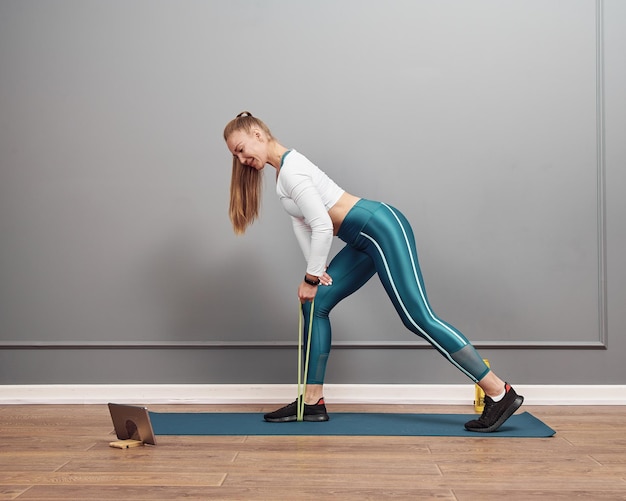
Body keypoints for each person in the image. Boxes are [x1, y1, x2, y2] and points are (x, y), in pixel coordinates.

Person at [223, 111, 523, 432]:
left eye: (241, 149)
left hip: (379, 227)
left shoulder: (292, 172)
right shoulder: (285, 173)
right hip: (361, 236)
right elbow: (303, 224)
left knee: (417, 317)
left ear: (258, 134)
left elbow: (323, 225)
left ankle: (498, 391)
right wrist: (316, 269)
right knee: (315, 303)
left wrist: (311, 278)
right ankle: (312, 403)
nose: (241, 159)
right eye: (235, 155)